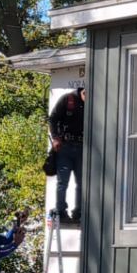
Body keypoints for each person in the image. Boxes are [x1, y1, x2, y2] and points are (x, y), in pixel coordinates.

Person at [48, 81, 86, 224]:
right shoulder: (68, 99)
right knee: (62, 181)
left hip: (83, 147)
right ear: (83, 92)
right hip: (65, 147)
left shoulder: (94, 103)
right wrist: (56, 139)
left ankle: (79, 212)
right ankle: (61, 211)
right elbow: (53, 119)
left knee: (82, 182)